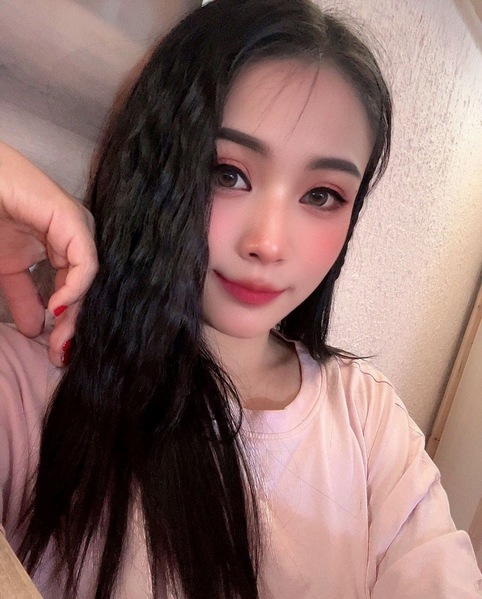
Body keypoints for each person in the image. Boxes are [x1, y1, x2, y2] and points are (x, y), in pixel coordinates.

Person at [0, 0, 480, 597]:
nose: (269, 244)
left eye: (322, 195)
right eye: (227, 173)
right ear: (154, 167)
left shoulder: (368, 417)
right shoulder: (34, 381)